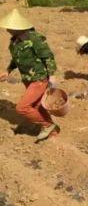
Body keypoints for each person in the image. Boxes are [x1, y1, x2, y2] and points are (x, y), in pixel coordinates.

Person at [0, 9, 60, 141]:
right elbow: (16, 59)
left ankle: (48, 125)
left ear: (17, 27)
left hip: (38, 78)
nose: (7, 30)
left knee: (22, 107)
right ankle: (53, 133)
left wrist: (51, 75)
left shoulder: (35, 38)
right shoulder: (14, 42)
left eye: (9, 27)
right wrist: (8, 71)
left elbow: (48, 57)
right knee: (38, 106)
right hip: (27, 78)